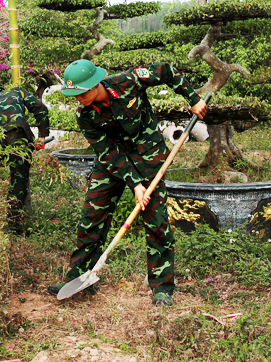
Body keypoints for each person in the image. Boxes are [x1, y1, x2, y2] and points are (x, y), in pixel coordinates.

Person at [48, 60, 207, 306]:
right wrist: (134, 184)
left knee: (156, 223)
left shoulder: (129, 81)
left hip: (148, 157)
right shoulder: (85, 116)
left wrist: (193, 99)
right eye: (73, 94)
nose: (77, 98)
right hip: (112, 163)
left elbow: (165, 70)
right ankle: (78, 276)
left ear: (94, 84)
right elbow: (107, 152)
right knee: (91, 218)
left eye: (80, 92)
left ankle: (162, 288)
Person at [0, 82, 51, 235]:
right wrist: (41, 137)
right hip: (18, 135)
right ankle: (14, 225)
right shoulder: (17, 92)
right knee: (19, 180)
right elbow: (41, 108)